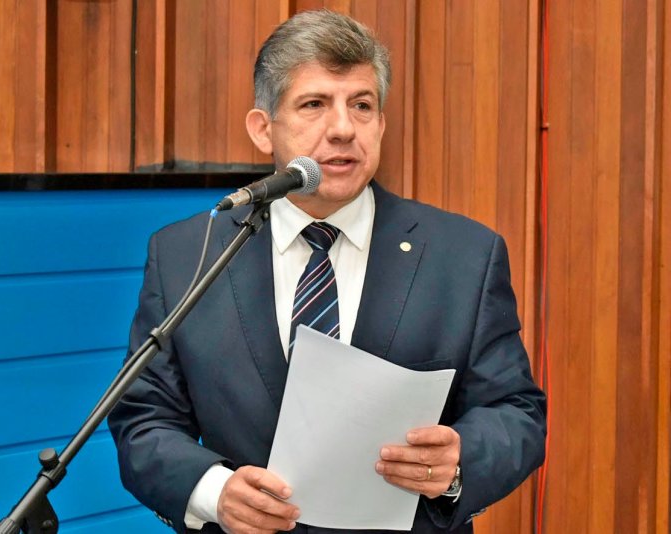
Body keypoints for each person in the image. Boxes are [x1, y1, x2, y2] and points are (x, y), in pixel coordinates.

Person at [109, 9, 546, 534]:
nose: (342, 129)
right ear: (263, 129)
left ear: (381, 124)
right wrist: (214, 492)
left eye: (362, 105)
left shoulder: (464, 255)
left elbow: (515, 412)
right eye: (314, 104)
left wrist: (458, 463)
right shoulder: (187, 256)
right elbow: (144, 418)